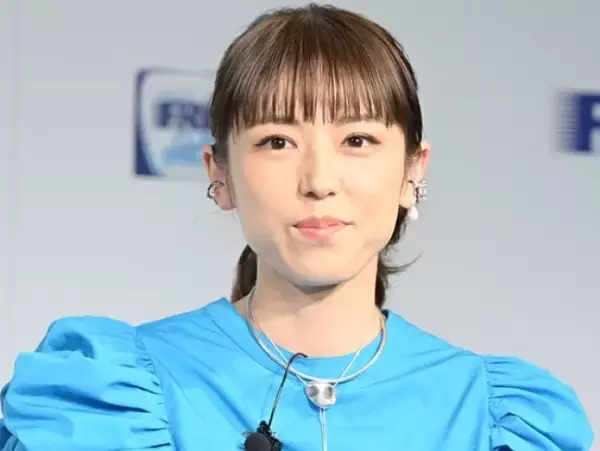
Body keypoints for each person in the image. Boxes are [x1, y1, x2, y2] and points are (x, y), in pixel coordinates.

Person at [0, 4, 593, 450]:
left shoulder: (498, 418)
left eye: (357, 139)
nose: (319, 180)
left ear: (414, 170)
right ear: (220, 175)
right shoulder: (109, 396)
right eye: (277, 141)